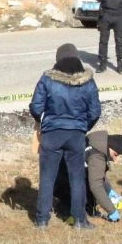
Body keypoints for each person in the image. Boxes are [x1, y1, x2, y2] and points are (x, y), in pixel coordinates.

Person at [28, 43, 100, 230]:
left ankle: (42, 220)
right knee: (77, 178)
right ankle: (80, 220)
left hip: (52, 134)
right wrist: (83, 127)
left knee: (47, 178)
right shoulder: (87, 81)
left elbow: (35, 107)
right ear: (77, 58)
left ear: (57, 59)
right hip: (76, 134)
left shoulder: (47, 79)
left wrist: (41, 122)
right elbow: (95, 112)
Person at [85, 128, 122, 222]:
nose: (114, 159)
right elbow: (96, 185)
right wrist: (112, 211)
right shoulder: (97, 156)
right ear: (110, 147)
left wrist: (109, 190)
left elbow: (99, 174)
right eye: (115, 154)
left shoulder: (96, 145)